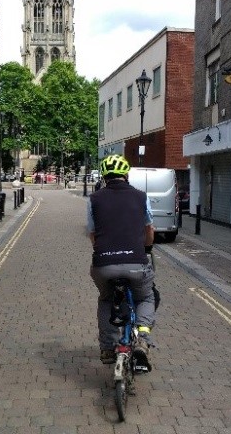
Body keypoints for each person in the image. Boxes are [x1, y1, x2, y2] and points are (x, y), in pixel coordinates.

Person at [87, 154, 155, 370]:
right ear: (126, 174)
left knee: (106, 299)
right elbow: (149, 231)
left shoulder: (94, 199)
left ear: (105, 177)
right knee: (146, 296)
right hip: (136, 262)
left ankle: (107, 348)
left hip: (103, 264)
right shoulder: (141, 196)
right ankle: (142, 340)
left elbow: (92, 234)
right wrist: (146, 249)